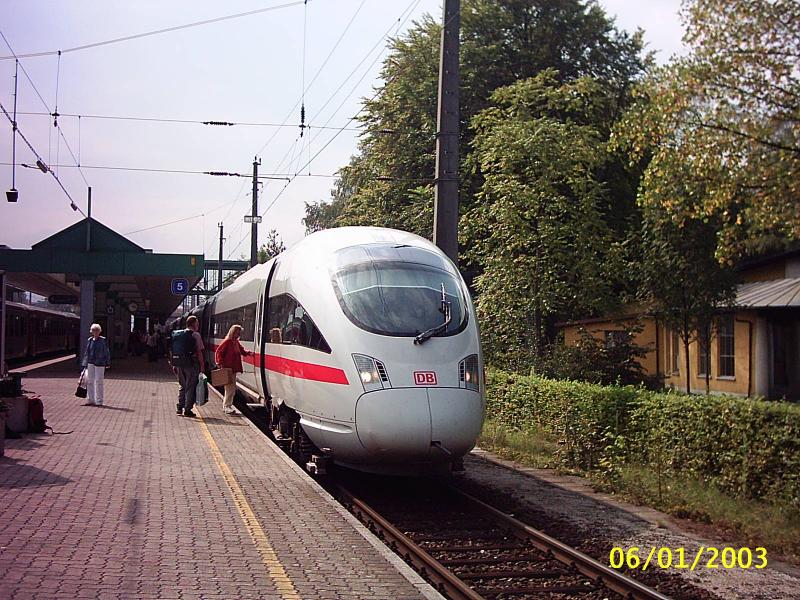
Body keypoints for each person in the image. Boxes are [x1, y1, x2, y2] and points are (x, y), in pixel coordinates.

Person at [171, 315, 205, 418]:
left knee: (182, 385)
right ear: (194, 324)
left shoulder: (178, 334)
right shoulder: (196, 335)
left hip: (179, 363)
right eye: (197, 323)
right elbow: (199, 352)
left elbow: (173, 350)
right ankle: (187, 409)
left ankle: (179, 408)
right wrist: (202, 366)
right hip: (191, 364)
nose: (198, 325)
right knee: (190, 386)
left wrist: (174, 364)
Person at [214, 324, 251, 414]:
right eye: (237, 333)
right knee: (229, 389)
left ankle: (228, 405)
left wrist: (248, 353)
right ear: (232, 332)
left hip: (233, 369)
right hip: (227, 368)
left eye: (239, 333)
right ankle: (226, 406)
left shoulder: (235, 342)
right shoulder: (227, 342)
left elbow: (242, 351)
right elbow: (219, 352)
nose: (238, 335)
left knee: (232, 388)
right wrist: (220, 363)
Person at [81, 323, 111, 407]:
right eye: (93, 330)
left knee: (99, 381)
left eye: (97, 330)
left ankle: (99, 401)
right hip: (90, 362)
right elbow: (87, 352)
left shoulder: (103, 340)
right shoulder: (90, 340)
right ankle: (90, 400)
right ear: (91, 331)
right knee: (90, 381)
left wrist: (108, 362)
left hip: (100, 363)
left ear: (100, 331)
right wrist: (84, 363)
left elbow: (106, 351)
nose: (95, 332)